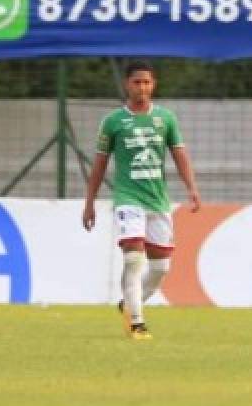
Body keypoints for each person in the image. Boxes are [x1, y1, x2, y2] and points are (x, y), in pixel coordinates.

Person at [81, 61, 202, 339]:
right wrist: (90, 202)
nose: (142, 87)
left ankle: (129, 304)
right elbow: (99, 164)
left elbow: (179, 154)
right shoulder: (113, 122)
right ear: (127, 84)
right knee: (134, 259)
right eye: (137, 82)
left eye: (147, 82)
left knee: (160, 268)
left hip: (157, 200)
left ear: (153, 85)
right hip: (128, 198)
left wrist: (192, 188)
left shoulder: (166, 119)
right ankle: (136, 323)